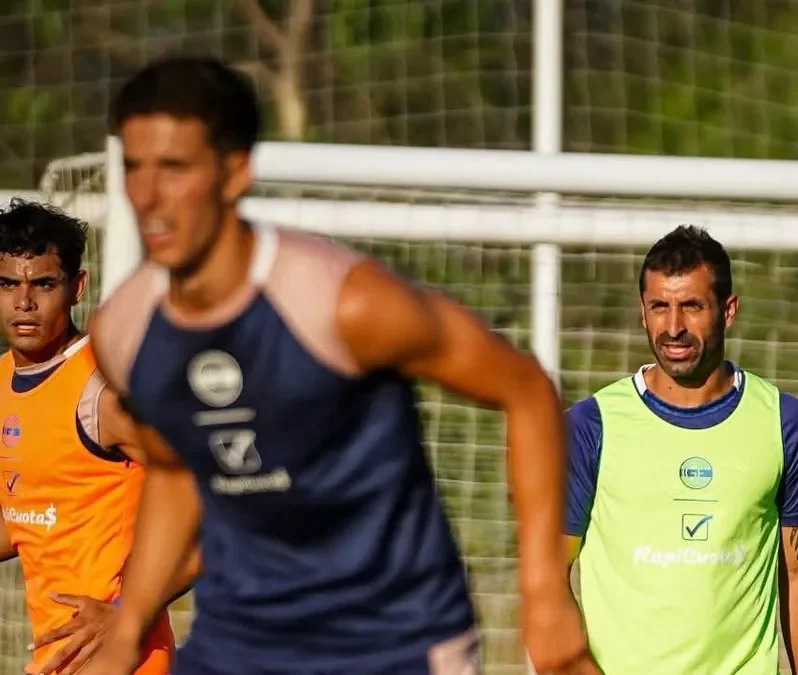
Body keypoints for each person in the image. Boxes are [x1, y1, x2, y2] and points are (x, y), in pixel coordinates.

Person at [78, 55, 592, 675]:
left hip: (394, 639)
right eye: (134, 167)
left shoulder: (345, 303)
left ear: (235, 172)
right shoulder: (125, 331)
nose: (148, 196)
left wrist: (542, 591)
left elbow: (525, 388)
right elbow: (175, 468)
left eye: (174, 168)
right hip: (240, 642)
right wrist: (129, 626)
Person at [563, 225, 798, 674]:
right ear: (641, 313)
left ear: (728, 311)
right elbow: (546, 580)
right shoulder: (590, 425)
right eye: (659, 307)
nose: (673, 327)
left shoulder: (786, 424)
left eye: (691, 306)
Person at [0, 198, 197, 675]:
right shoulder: (4, 379)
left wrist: (129, 611)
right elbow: (29, 512)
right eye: (8, 284)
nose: (24, 302)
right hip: (53, 661)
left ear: (77, 288)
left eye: (43, 283)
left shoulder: (106, 389)